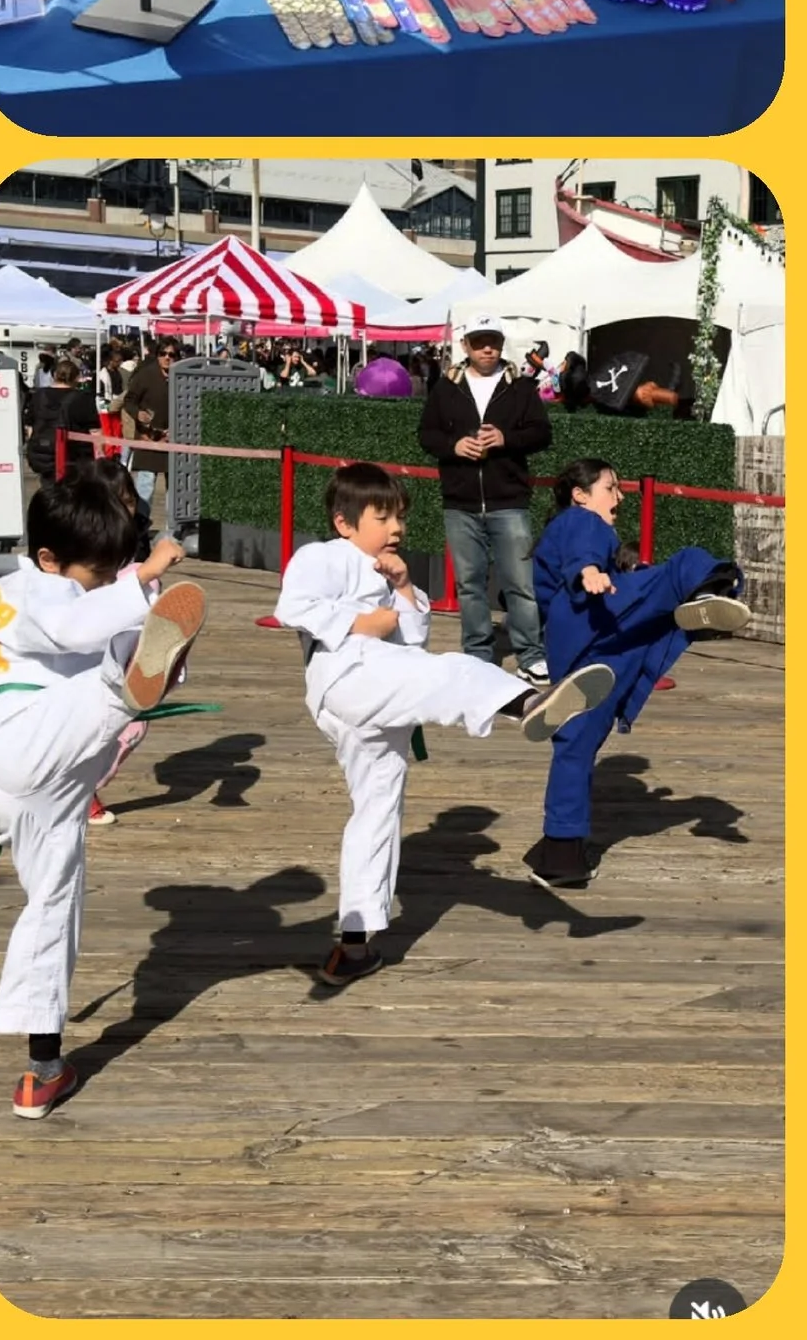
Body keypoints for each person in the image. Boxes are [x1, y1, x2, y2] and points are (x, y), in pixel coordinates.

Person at [274, 464, 615, 989]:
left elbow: (413, 640)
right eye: (382, 517)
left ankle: (355, 942)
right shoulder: (323, 557)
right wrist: (366, 622)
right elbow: (294, 607)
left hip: (380, 698)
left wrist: (405, 588)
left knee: (378, 810)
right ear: (344, 523)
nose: (396, 528)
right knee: (451, 671)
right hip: (349, 677)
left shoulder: (390, 573)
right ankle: (526, 703)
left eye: (400, 518)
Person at [0, 478, 204, 1118]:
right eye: (96, 573)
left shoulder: (0, 596)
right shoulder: (30, 592)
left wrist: (140, 601)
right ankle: (125, 682)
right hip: (29, 735)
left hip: (15, 779)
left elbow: (87, 619)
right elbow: (75, 624)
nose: (104, 583)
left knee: (52, 901)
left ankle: (41, 1072)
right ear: (48, 559)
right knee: (117, 679)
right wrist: (144, 578)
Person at [522, 459, 751, 888]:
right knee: (683, 565)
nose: (620, 496)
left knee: (575, 744)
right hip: (592, 619)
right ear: (580, 493)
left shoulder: (573, 528)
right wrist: (589, 572)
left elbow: (584, 559)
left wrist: (600, 572)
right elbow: (582, 551)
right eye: (611, 487)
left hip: (576, 648)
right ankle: (709, 590)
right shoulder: (579, 519)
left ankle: (560, 855)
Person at [419, 321, 551, 677]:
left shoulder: (521, 388)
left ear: (501, 344)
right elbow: (426, 434)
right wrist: (454, 445)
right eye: (480, 343)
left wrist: (506, 439)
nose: (487, 349)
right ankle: (478, 653)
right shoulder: (446, 388)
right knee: (469, 583)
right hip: (460, 502)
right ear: (465, 345)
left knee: (520, 583)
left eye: (493, 342)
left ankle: (530, 655)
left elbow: (541, 433)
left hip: (508, 500)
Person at [120, 336, 177, 535]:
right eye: (163, 354)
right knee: (145, 485)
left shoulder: (180, 375)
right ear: (157, 355)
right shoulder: (146, 375)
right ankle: (140, 527)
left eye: (172, 354)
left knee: (175, 487)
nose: (167, 358)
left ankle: (173, 529)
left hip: (174, 439)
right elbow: (129, 400)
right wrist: (138, 414)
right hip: (148, 437)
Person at [23, 354, 100, 482]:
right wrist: (99, 458)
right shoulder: (83, 398)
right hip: (74, 456)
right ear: (76, 377)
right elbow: (95, 431)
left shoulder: (39, 395)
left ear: (55, 375)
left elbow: (30, 426)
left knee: (49, 490)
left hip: (44, 453)